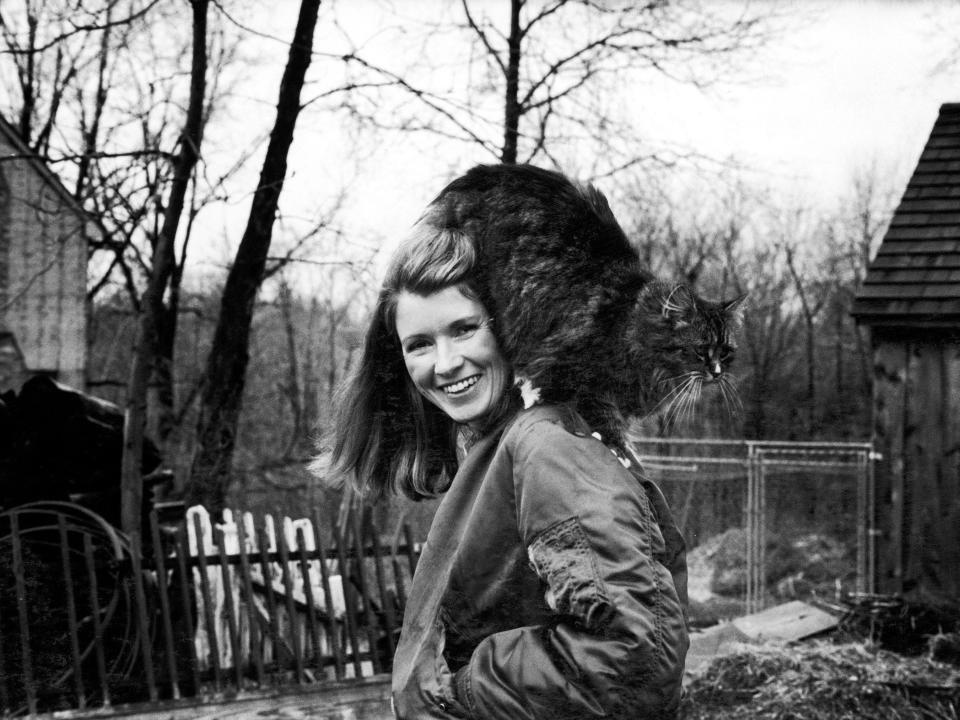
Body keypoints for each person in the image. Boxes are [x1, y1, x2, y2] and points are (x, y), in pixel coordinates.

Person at [325, 218, 689, 719]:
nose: (446, 363)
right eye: (420, 344)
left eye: (464, 329)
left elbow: (633, 658)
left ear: (511, 327)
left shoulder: (545, 446)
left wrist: (458, 693)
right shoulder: (496, 444)